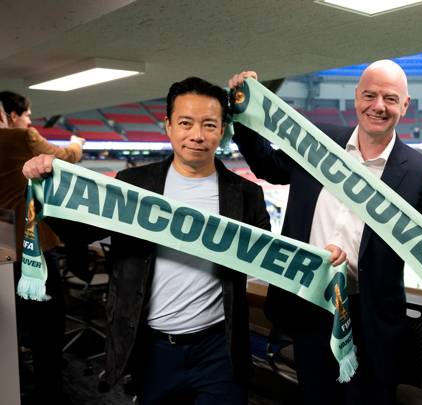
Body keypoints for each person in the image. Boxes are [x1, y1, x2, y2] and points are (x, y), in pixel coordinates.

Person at [22, 77, 346, 405]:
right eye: (186, 123)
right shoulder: (133, 184)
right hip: (153, 349)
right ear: (168, 126)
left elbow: (271, 257)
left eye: (209, 124)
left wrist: (320, 259)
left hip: (219, 350)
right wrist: (47, 187)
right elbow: (78, 232)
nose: (197, 135)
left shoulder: (246, 193)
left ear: (222, 130)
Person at [229, 61, 422, 405]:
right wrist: (243, 111)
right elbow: (267, 166)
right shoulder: (317, 140)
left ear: (405, 105)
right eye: (369, 95)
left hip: (371, 321)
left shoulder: (419, 174)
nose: (378, 106)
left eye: (390, 98)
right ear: (356, 98)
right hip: (310, 307)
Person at [0, 90, 84, 404]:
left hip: (0, 240)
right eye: (27, 115)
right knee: (47, 330)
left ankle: (13, 386)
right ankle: (49, 392)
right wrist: (77, 143)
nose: (29, 121)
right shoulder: (20, 138)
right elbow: (64, 159)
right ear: (10, 115)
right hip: (30, 247)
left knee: (9, 327)